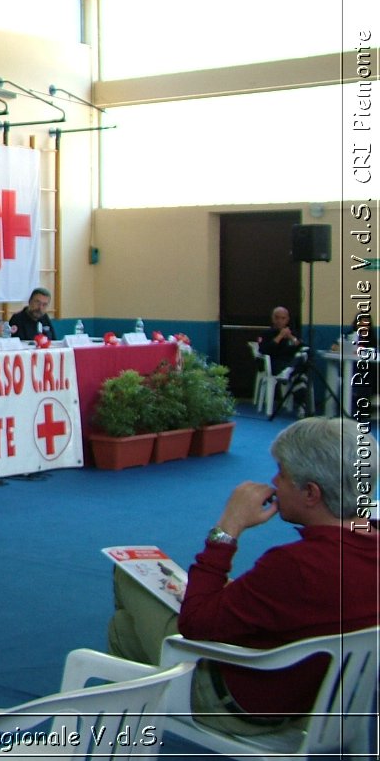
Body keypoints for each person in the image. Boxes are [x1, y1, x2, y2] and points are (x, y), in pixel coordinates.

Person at [107, 417, 378, 735]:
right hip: (328, 702)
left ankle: (120, 736)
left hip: (246, 705)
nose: (275, 481)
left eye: (283, 474)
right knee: (124, 630)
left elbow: (194, 624)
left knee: (128, 577)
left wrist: (227, 528)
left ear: (311, 493)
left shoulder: (296, 566)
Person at [258, 306, 301, 375]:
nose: (279, 321)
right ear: (272, 318)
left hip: (290, 361)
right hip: (275, 362)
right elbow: (264, 350)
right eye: (277, 318)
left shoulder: (292, 333)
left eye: (283, 318)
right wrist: (280, 336)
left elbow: (299, 346)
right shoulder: (266, 333)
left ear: (287, 320)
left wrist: (291, 337)